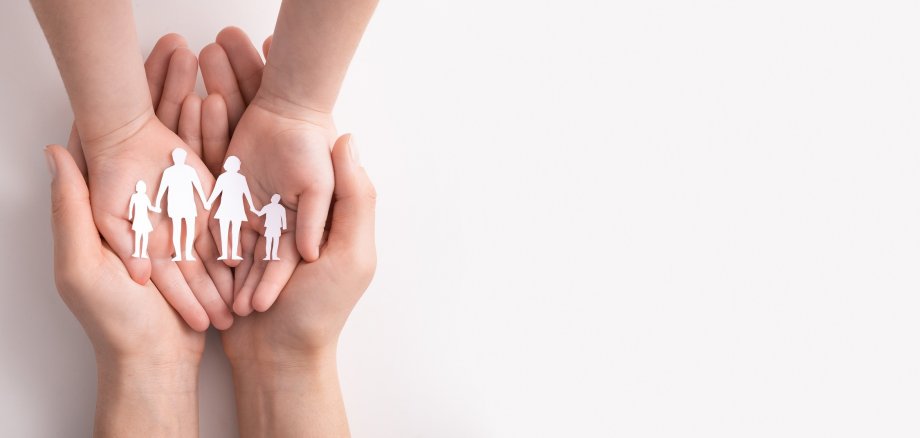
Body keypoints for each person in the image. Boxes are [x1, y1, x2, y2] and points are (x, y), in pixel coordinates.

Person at [155, 148, 209, 262]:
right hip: (178, 204)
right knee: (180, 229)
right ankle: (180, 254)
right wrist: (156, 203)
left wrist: (205, 202)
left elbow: (198, 187)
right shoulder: (171, 172)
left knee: (185, 229)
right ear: (174, 158)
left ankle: (186, 253)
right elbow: (162, 188)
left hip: (185, 204)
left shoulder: (184, 171)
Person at [206, 156, 257, 260]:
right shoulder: (228, 178)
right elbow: (216, 191)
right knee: (229, 231)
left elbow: (246, 193)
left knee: (231, 231)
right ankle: (227, 253)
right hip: (229, 208)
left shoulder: (235, 178)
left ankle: (231, 253)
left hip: (233, 208)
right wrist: (209, 202)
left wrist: (252, 206)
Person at [127, 180, 160, 258]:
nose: (142, 188)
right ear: (137, 188)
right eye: (140, 187)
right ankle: (137, 252)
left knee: (145, 236)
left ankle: (143, 253)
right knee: (138, 236)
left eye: (143, 187)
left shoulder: (145, 197)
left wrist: (156, 209)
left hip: (144, 219)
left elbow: (149, 207)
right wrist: (130, 214)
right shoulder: (134, 196)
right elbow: (131, 206)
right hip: (138, 219)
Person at [255, 194, 288, 260]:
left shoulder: (280, 208)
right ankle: (268, 256)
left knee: (274, 241)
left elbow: (283, 217)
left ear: (277, 200)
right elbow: (259, 214)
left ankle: (274, 255)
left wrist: (284, 226)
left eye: (275, 198)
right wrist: (254, 210)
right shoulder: (268, 207)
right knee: (270, 241)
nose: (273, 199)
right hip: (270, 226)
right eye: (273, 197)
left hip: (276, 227)